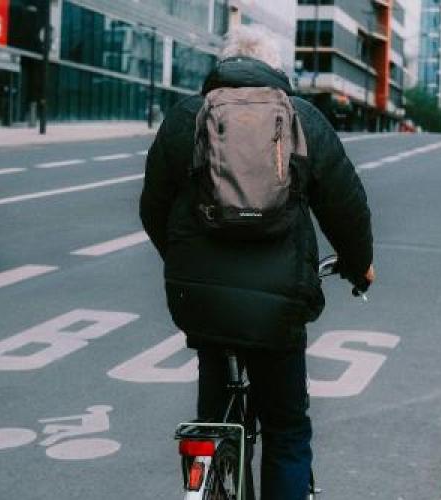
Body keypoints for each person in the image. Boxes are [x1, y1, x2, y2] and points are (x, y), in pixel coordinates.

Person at [140, 25, 374, 500]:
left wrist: (182, 261)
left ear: (223, 66)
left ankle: (207, 461)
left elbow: (152, 208)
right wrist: (358, 262)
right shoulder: (302, 118)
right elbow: (346, 206)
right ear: (275, 68)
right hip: (279, 306)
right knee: (287, 429)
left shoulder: (186, 117)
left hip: (202, 298)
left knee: (213, 411)